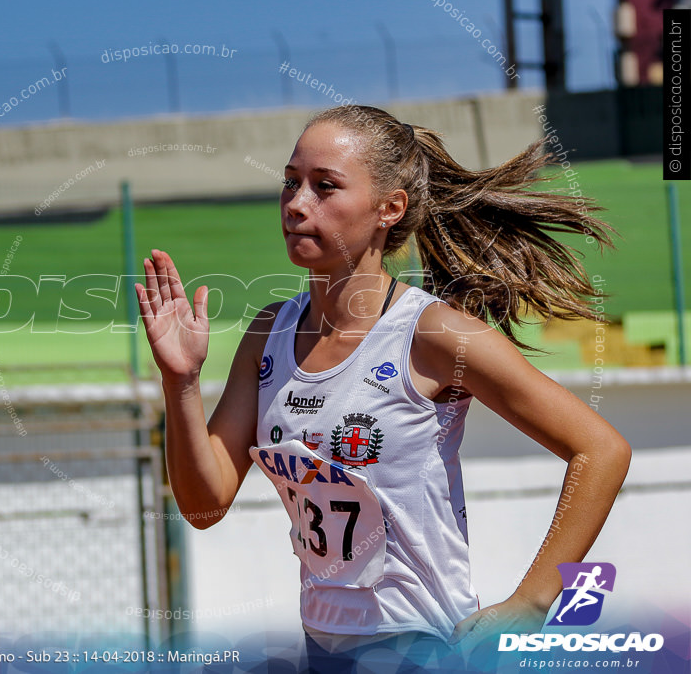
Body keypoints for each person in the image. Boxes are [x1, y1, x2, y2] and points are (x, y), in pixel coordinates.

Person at [134, 104, 631, 673]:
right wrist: (181, 382)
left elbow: (601, 450)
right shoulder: (269, 332)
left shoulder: (434, 334)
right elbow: (203, 506)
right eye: (290, 182)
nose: (296, 204)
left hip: (422, 645)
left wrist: (532, 601)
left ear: (389, 209)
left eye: (325, 187)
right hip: (321, 644)